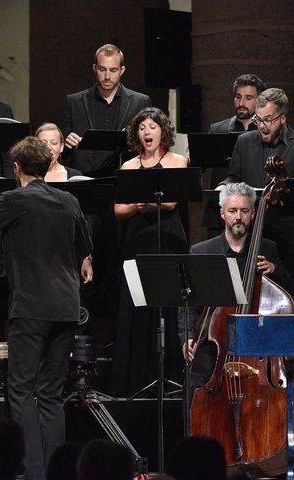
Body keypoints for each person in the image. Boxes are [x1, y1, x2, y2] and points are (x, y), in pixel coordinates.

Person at [0, 136, 92, 479]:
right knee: (51, 393)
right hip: (66, 307)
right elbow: (83, 247)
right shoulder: (69, 201)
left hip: (31, 307)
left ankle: (32, 473)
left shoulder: (13, 200)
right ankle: (54, 472)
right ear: (47, 167)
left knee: (20, 389)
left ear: (16, 168)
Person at [179, 182, 294, 402]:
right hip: (213, 345)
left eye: (244, 211)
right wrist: (187, 338)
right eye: (232, 211)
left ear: (253, 214)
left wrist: (275, 269)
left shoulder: (268, 248)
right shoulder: (202, 252)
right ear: (222, 214)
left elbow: (288, 295)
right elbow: (189, 304)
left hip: (257, 345)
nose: (238, 217)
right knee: (194, 389)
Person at [110, 107, 189, 397]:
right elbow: (119, 210)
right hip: (138, 240)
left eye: (152, 127)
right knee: (137, 306)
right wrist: (139, 206)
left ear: (162, 131)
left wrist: (141, 203)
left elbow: (170, 204)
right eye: (142, 127)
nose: (147, 132)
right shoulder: (128, 166)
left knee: (168, 303)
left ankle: (170, 378)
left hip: (169, 238)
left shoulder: (178, 161)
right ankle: (136, 379)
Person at [220, 88, 294, 277]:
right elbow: (234, 177)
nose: (262, 126)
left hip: (287, 231)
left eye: (268, 119)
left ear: (283, 118)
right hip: (252, 229)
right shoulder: (244, 141)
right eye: (257, 119)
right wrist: (224, 185)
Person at [60, 44, 151, 178]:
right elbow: (61, 149)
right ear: (94, 68)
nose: (107, 76)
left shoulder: (140, 102)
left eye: (113, 70)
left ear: (122, 70)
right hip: (83, 178)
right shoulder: (73, 102)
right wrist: (67, 143)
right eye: (102, 69)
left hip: (125, 177)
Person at [202, 74, 267, 238]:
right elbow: (198, 166)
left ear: (259, 100)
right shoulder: (217, 130)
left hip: (254, 211)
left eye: (248, 98)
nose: (241, 103)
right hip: (221, 213)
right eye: (238, 97)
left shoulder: (264, 132)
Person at [35, 122, 94, 284]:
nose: (49, 148)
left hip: (68, 253)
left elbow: (85, 221)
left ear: (61, 147)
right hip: (35, 252)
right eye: (43, 143)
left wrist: (86, 257)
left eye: (54, 143)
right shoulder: (27, 177)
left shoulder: (74, 176)